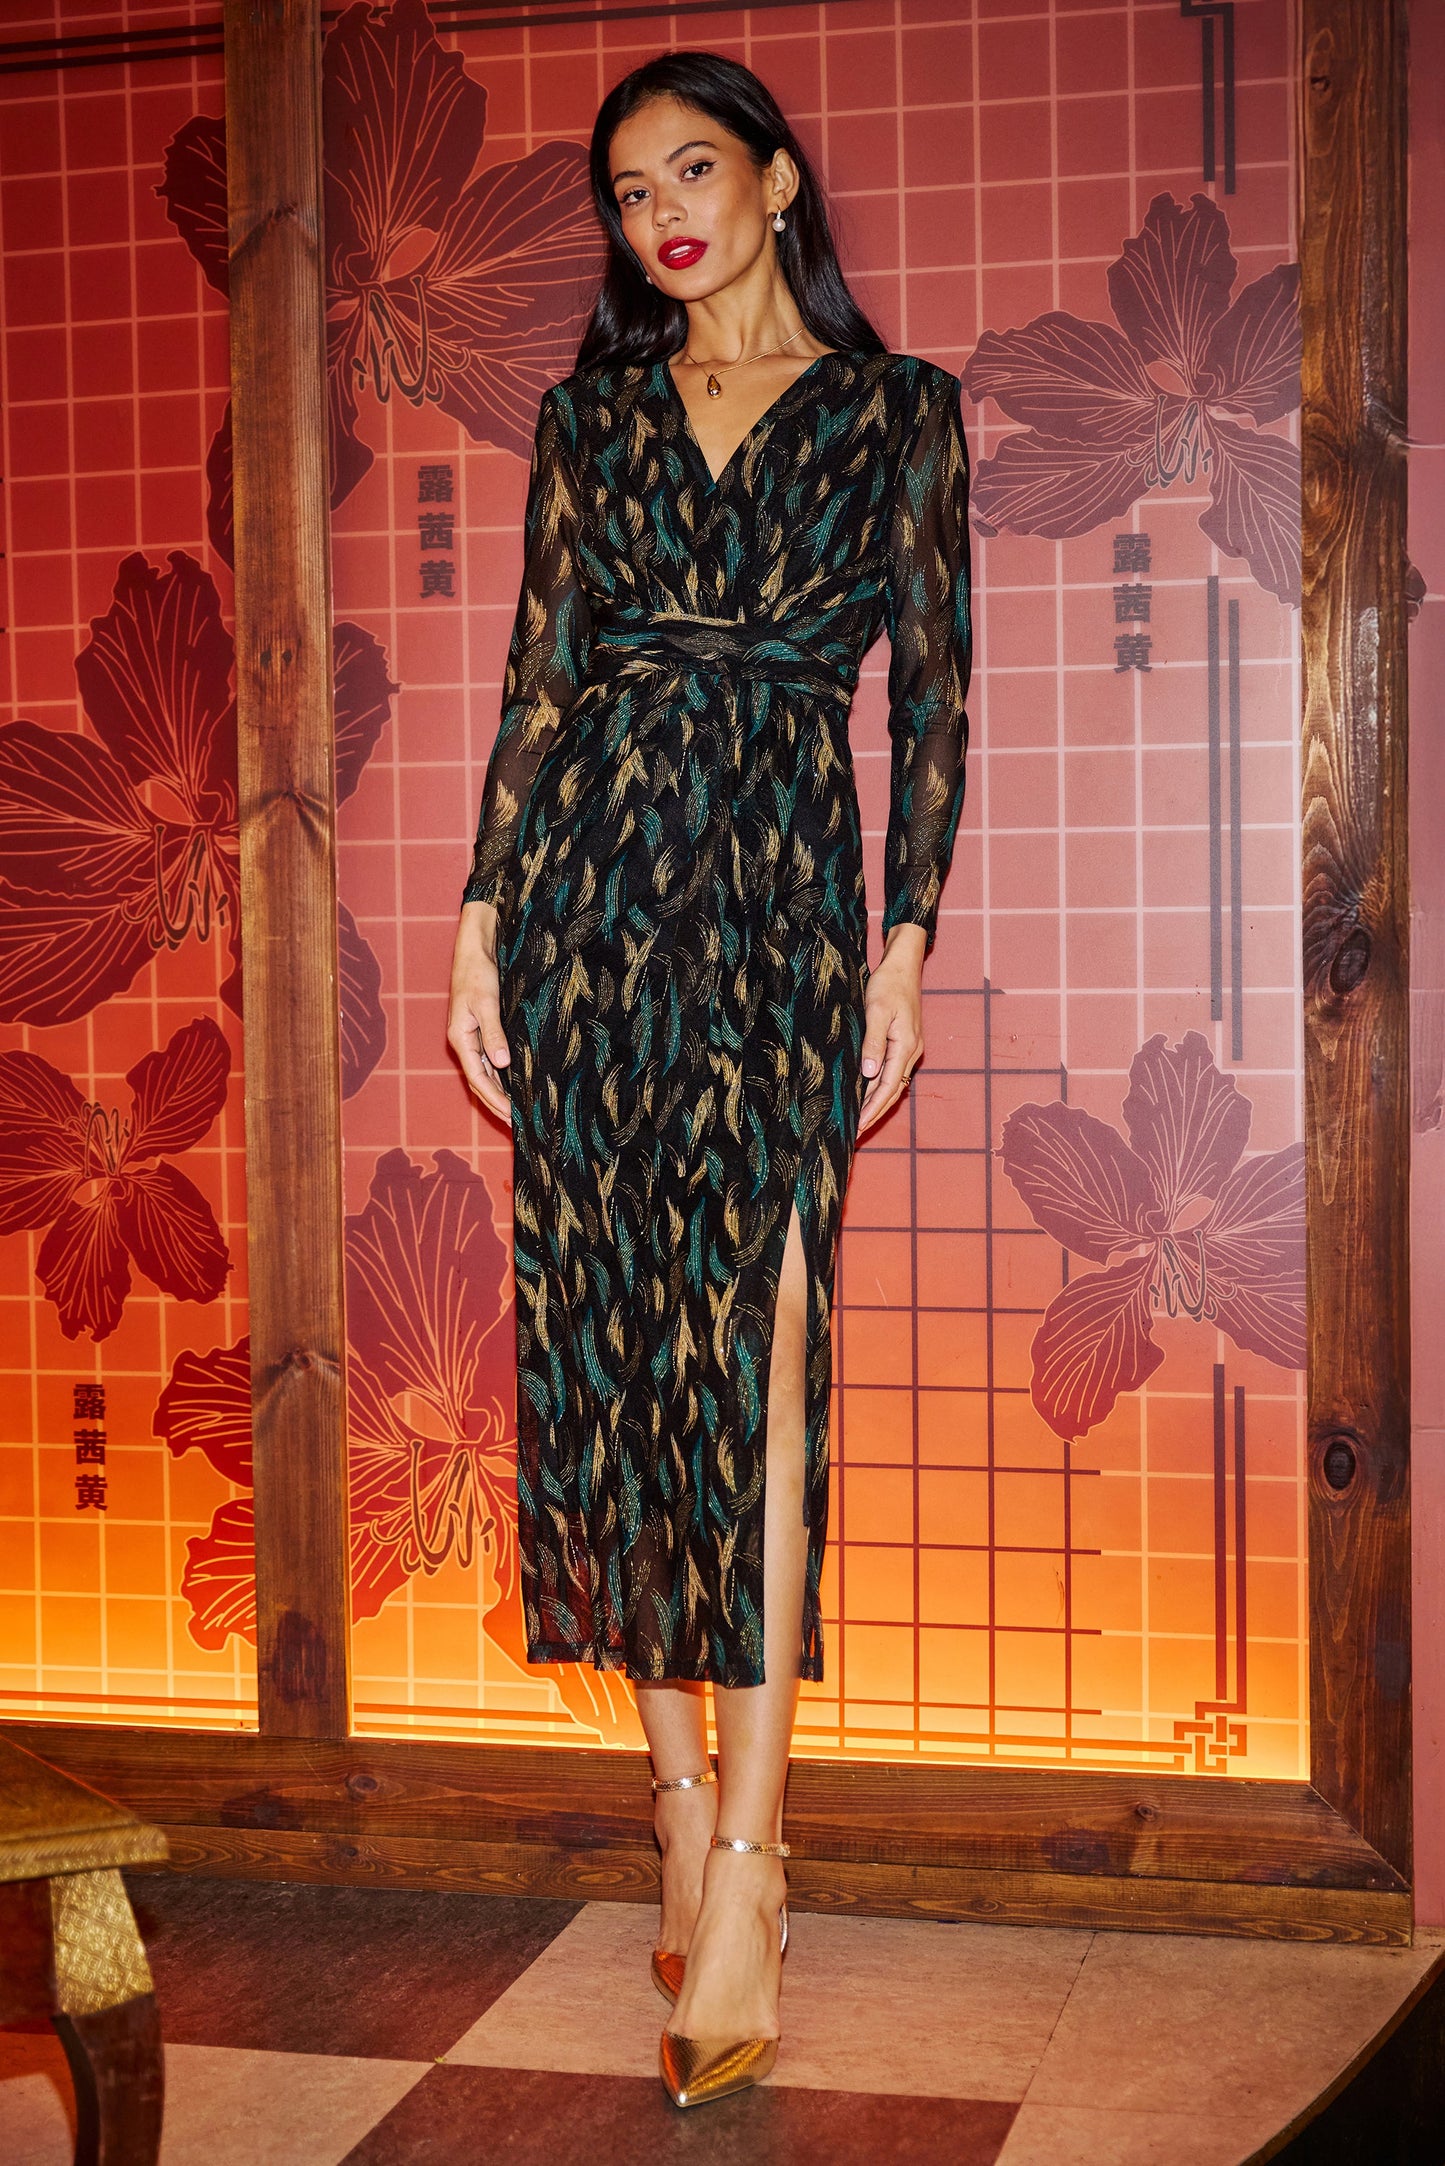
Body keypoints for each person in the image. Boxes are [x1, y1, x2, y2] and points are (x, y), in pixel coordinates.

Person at [447, 47, 971, 2111]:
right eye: (626, 189)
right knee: (608, 1338)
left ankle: (754, 1845)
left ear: (772, 182)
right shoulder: (589, 419)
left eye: (693, 167)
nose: (660, 208)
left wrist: (903, 944)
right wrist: (488, 914)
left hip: (771, 894)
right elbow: (538, 673)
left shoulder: (899, 416)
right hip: (583, 902)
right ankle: (675, 1805)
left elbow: (932, 697)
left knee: (755, 1349)